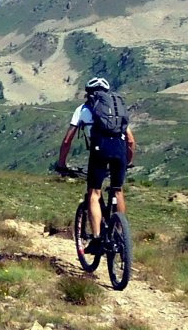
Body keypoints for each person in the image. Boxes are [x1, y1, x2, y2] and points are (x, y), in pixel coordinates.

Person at [53, 77, 135, 252]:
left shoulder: (83, 109)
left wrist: (61, 163)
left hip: (100, 150)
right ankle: (120, 235)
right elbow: (130, 140)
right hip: (119, 151)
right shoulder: (116, 110)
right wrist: (128, 161)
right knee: (117, 189)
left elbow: (67, 140)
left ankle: (97, 239)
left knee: (94, 193)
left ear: (88, 93)